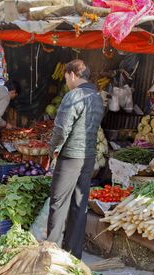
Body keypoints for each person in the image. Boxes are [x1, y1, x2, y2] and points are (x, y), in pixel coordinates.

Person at [47, 59, 105, 259]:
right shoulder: (97, 97)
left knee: (58, 203)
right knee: (79, 206)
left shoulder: (74, 95)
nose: (66, 82)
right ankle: (73, 256)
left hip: (71, 156)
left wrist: (53, 149)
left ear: (72, 75)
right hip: (88, 157)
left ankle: (51, 253)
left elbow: (62, 128)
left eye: (66, 78)